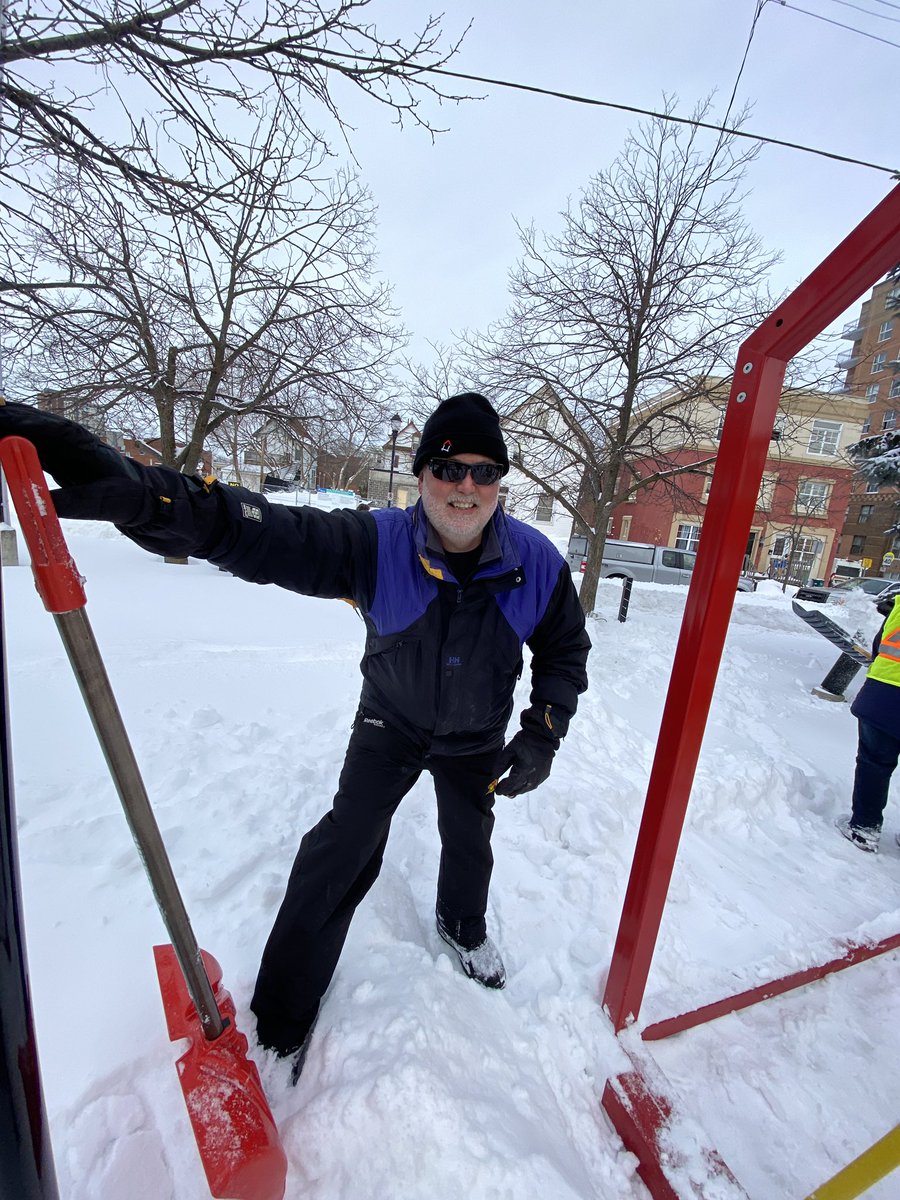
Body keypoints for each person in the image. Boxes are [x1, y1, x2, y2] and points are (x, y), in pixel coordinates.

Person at [0, 393, 590, 1076]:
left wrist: (543, 731)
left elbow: (563, 652)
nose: (467, 487)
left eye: (485, 473)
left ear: (500, 485)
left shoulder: (539, 562)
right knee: (342, 847)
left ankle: (463, 927)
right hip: (390, 724)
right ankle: (281, 1017)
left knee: (470, 835)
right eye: (450, 468)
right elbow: (268, 533)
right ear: (423, 474)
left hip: (475, 735)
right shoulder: (375, 544)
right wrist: (154, 498)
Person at [836, 591, 900, 853]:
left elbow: (880, 644)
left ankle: (865, 828)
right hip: (885, 693)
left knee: (874, 763)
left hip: (886, 694)